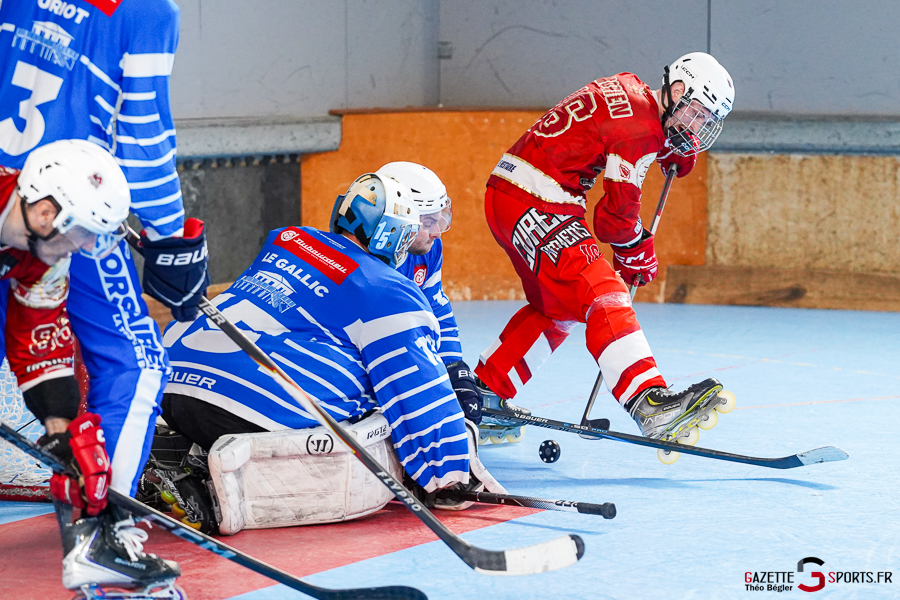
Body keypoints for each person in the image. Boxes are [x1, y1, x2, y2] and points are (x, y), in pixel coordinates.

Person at [156, 171, 503, 532]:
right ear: (392, 232)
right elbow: (414, 389)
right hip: (248, 413)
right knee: (375, 398)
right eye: (424, 223)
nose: (434, 232)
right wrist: (450, 475)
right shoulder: (385, 290)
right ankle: (215, 493)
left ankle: (177, 454)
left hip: (171, 388)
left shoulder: (290, 239)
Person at [0, 0, 209, 503]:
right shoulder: (147, 11)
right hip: (66, 204)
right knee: (133, 365)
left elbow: (38, 341)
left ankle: (95, 506)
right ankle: (102, 522)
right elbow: (145, 134)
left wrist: (56, 421)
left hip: (33, 210)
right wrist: (168, 235)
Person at [474, 52, 737, 446]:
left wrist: (666, 147)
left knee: (559, 307)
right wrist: (634, 248)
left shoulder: (632, 90)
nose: (697, 127)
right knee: (605, 292)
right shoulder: (641, 131)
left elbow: (606, 136)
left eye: (704, 121)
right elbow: (614, 218)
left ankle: (482, 396)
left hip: (512, 193)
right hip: (536, 201)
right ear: (677, 90)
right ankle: (650, 403)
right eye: (695, 113)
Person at [0, 140, 181, 595]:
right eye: (80, 234)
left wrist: (61, 434)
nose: (82, 248)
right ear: (45, 212)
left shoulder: (45, 259)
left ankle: (98, 542)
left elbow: (37, 340)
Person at [375, 162, 493, 439]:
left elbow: (437, 309)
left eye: (440, 219)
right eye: (428, 222)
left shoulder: (428, 248)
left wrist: (453, 366)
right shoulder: (365, 260)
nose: (437, 231)